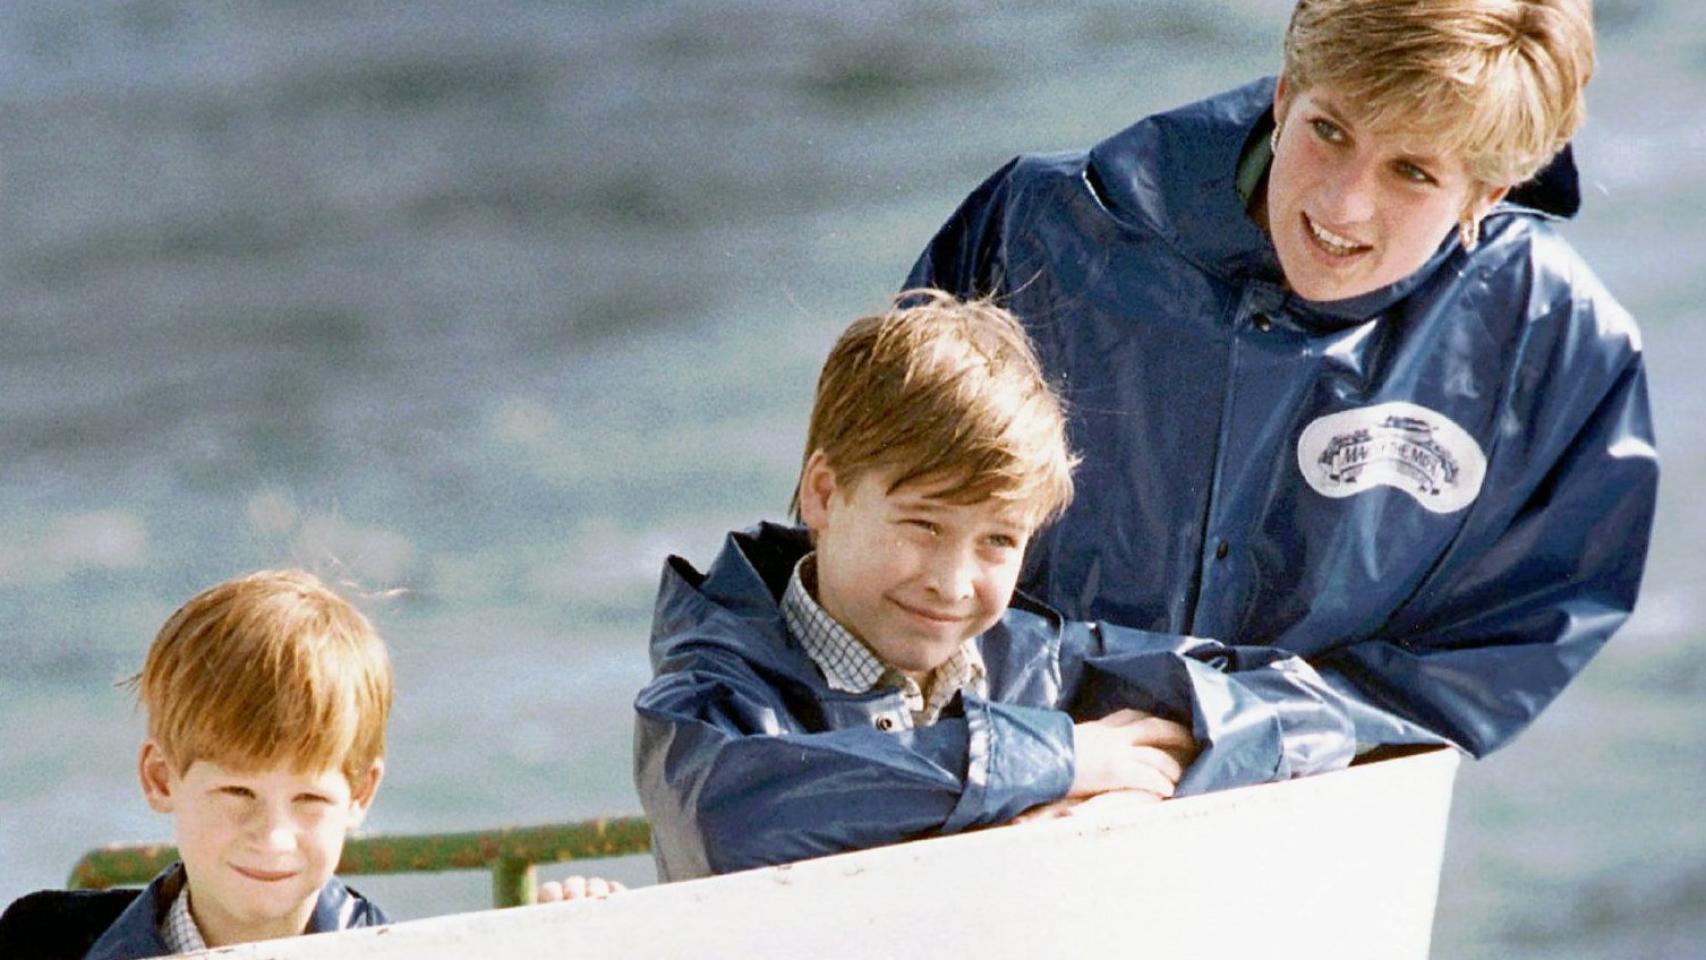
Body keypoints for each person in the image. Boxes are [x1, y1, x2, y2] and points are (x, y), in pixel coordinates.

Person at [904, 0, 1657, 778]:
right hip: (994, 768)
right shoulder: (1041, 226)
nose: (1342, 205)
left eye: (1413, 171)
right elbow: (879, 523)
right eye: (1329, 130)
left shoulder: (1555, 335)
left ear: (1485, 195)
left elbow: (1508, 643)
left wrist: (1245, 731)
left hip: (1306, 805)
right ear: (1285, 93)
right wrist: (1049, 751)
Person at [635, 289, 1364, 881]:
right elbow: (732, 816)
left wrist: (1135, 784)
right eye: (922, 526)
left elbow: (1311, 712)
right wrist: (1052, 763)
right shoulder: (708, 693)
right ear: (824, 493)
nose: (953, 584)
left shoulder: (1039, 667)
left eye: (997, 542)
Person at [0, 570, 394, 959]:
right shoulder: (39, 943)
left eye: (309, 798)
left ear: (360, 793)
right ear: (161, 778)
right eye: (238, 791)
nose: (274, 838)